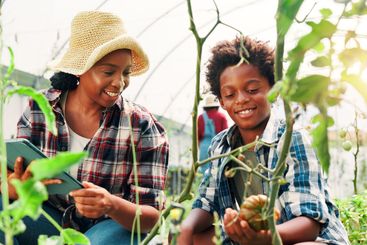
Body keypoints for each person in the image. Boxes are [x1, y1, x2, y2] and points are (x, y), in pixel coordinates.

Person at [0, 11, 169, 245]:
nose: (119, 82)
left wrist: (111, 204)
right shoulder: (40, 108)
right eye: (109, 72)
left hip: (108, 226)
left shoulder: (142, 126)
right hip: (48, 218)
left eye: (126, 73)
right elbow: (12, 174)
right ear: (80, 69)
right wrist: (12, 186)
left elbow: (154, 216)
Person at [177, 36, 350, 245]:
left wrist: (265, 238)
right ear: (221, 101)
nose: (241, 99)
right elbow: (206, 201)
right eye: (230, 94)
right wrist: (186, 227)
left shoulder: (291, 138)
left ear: (273, 91)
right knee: (194, 236)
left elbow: (309, 224)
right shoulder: (220, 146)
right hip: (256, 236)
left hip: (306, 239)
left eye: (252, 90)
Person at [198, 94, 228, 173]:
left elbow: (198, 136)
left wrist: (200, 147)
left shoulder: (200, 118)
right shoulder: (222, 117)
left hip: (204, 146)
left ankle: (204, 185)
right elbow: (226, 135)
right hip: (218, 146)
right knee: (216, 170)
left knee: (204, 170)